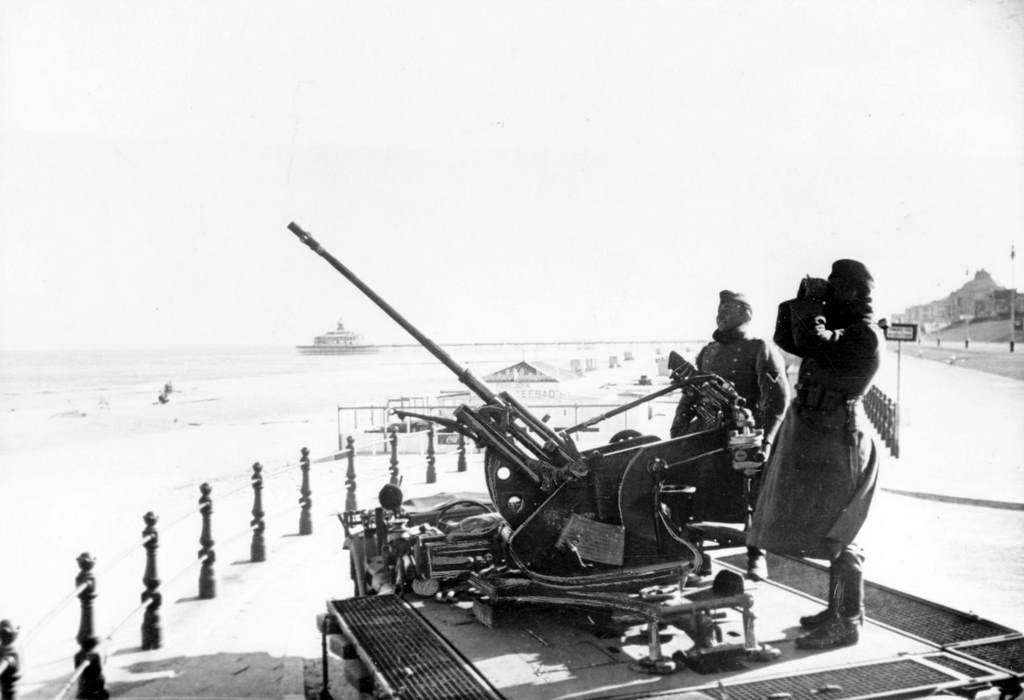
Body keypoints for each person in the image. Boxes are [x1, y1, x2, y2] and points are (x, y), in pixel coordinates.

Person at [747, 259, 883, 649]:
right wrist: (803, 300)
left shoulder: (864, 335)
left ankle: (847, 620)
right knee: (825, 524)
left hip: (839, 435)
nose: (830, 292)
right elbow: (789, 340)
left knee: (841, 530)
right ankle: (836, 609)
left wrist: (814, 307)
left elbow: (810, 342)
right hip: (820, 430)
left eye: (835, 286)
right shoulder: (845, 330)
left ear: (854, 293)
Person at [670, 290, 790, 580]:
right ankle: (693, 553)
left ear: (745, 314)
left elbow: (777, 401)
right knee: (692, 493)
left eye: (728, 309)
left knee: (752, 495)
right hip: (707, 433)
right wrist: (678, 429)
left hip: (745, 432)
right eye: (719, 308)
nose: (720, 314)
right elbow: (691, 394)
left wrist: (767, 439)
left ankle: (756, 555)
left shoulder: (760, 347)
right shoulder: (708, 351)